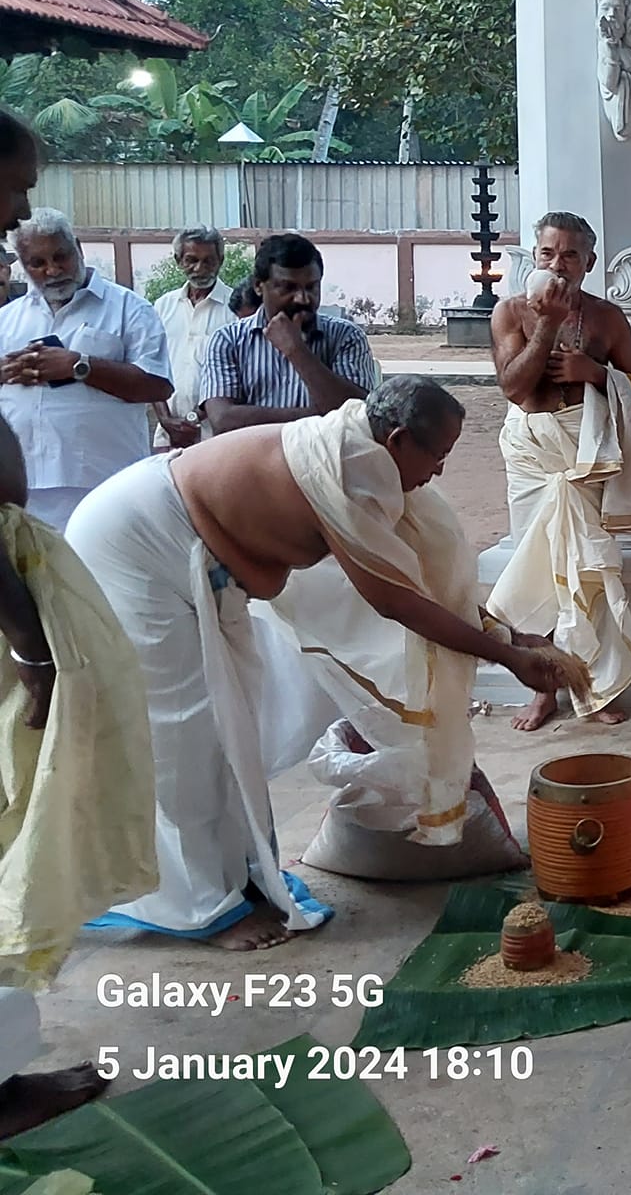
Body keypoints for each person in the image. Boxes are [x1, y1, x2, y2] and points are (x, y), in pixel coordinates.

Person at [67, 377, 572, 951]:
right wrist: (507, 658)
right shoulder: (353, 470)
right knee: (186, 735)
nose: (438, 473)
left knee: (234, 728)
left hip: (200, 568)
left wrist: (510, 635)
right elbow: (396, 599)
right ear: (401, 439)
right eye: (438, 455)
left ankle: (237, 880)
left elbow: (427, 586)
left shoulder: (369, 458)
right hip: (136, 548)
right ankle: (201, 906)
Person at [0, 112, 155, 1136]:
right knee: (17, 815)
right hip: (13, 580)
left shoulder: (123, 310)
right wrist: (25, 636)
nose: (18, 219)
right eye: (13, 196)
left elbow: (160, 386)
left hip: (75, 524)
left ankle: (9, 1071)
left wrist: (78, 371)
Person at [486, 212, 631, 728]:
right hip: (534, 455)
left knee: (587, 569)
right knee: (538, 569)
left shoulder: (609, 319)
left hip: (585, 454)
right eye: (547, 254)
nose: (557, 265)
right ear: (534, 256)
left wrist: (595, 373)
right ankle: (544, 690)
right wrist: (547, 328)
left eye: (569, 255)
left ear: (589, 262)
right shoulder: (510, 313)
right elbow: (514, 387)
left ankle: (594, 685)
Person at [0, 208, 172, 530]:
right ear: (23, 267)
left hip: (105, 487)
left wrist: (81, 366)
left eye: (60, 256)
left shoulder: (130, 309)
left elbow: (157, 385)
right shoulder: (7, 320)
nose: (53, 270)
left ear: (77, 248)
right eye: (37, 263)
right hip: (25, 491)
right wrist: (5, 372)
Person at [200, 232, 376, 433]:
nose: (302, 298)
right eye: (288, 288)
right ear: (259, 286)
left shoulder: (346, 336)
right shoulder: (227, 341)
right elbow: (223, 420)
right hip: (254, 463)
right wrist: (317, 416)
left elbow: (356, 417)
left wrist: (297, 351)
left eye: (311, 287)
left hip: (325, 463)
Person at [152, 225, 237, 449]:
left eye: (209, 261)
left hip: (216, 435)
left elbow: (241, 377)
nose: (200, 268)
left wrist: (192, 420)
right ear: (178, 260)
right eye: (191, 260)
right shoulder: (163, 306)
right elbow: (152, 366)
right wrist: (166, 420)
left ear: (221, 260)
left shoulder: (235, 308)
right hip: (167, 434)